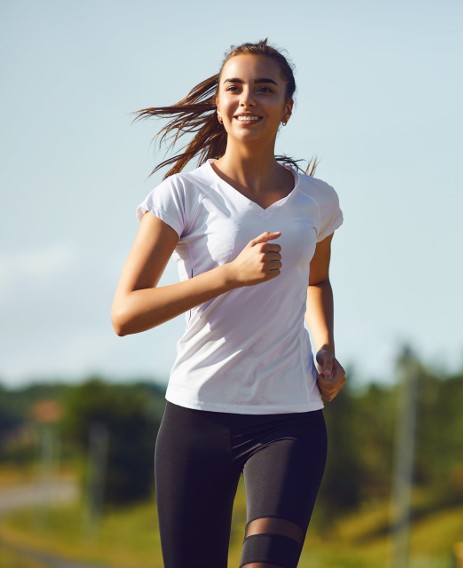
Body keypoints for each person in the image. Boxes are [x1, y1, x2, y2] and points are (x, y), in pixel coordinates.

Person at [111, 39, 345, 568]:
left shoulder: (317, 200)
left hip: (290, 416)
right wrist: (228, 276)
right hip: (197, 417)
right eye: (234, 87)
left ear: (287, 108)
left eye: (265, 89)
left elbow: (317, 281)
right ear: (218, 103)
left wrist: (327, 349)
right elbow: (125, 314)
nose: (248, 99)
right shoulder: (180, 196)